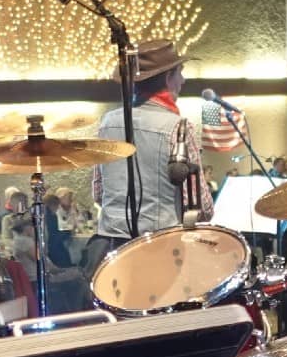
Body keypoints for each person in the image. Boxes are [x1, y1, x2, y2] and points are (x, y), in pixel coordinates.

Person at [86, 40, 214, 277]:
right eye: (180, 73)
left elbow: (99, 194)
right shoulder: (179, 128)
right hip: (160, 252)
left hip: (112, 253)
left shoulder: (107, 124)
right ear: (168, 79)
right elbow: (202, 209)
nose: (183, 81)